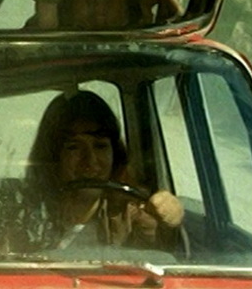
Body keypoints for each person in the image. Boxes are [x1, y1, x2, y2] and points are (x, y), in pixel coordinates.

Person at [26, 91, 183, 250]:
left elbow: (162, 246)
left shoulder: (129, 212)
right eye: (74, 147)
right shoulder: (28, 209)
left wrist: (169, 219)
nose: (90, 161)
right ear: (53, 156)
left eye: (100, 146)